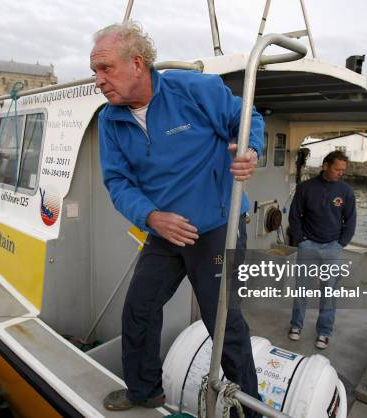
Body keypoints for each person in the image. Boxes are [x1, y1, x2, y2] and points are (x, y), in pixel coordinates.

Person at [92, 21, 263, 416]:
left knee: (223, 321)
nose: (99, 80)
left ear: (137, 63)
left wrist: (249, 149)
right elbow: (118, 183)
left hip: (217, 227)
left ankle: (251, 410)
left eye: (106, 69)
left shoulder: (194, 89)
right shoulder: (110, 120)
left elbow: (247, 117)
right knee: (139, 308)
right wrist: (152, 216)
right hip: (165, 230)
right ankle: (144, 391)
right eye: (95, 71)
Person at [288, 150, 356, 349]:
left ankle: (324, 332)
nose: (340, 173)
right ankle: (296, 325)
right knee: (301, 289)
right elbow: (294, 216)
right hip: (308, 246)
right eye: (337, 169)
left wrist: (340, 244)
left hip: (332, 248)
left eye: (343, 170)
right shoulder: (305, 188)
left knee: (329, 292)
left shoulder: (346, 192)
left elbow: (350, 221)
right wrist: (301, 240)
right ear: (325, 166)